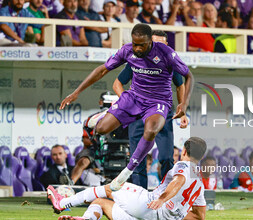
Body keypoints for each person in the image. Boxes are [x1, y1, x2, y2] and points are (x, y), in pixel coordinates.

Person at [60, 23, 194, 193]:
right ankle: (106, 115)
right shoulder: (128, 51)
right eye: (134, 43)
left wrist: (184, 104)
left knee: (153, 134)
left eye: (141, 45)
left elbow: (188, 76)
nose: (137, 48)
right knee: (100, 129)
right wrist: (77, 92)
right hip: (134, 98)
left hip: (158, 102)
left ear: (150, 42)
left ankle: (129, 171)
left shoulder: (165, 53)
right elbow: (103, 71)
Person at [47, 137, 207, 220]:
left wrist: (161, 200)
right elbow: (200, 217)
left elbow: (179, 180)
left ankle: (63, 203)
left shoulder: (183, 165)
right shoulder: (199, 182)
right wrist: (175, 214)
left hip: (150, 206)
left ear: (184, 151)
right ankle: (87, 219)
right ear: (201, 156)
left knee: (114, 187)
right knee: (100, 202)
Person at [112, 30, 189, 188]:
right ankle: (140, 198)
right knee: (137, 158)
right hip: (139, 114)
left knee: (167, 157)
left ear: (167, 45)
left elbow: (180, 85)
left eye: (162, 43)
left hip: (162, 113)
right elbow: (117, 83)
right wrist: (127, 102)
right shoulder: (136, 61)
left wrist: (182, 111)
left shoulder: (169, 61)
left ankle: (167, 194)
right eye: (155, 43)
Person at [70, 92, 119, 186]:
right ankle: (70, 183)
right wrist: (99, 139)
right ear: (101, 102)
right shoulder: (94, 118)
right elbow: (86, 140)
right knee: (84, 160)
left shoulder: (122, 118)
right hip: (95, 148)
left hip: (116, 148)